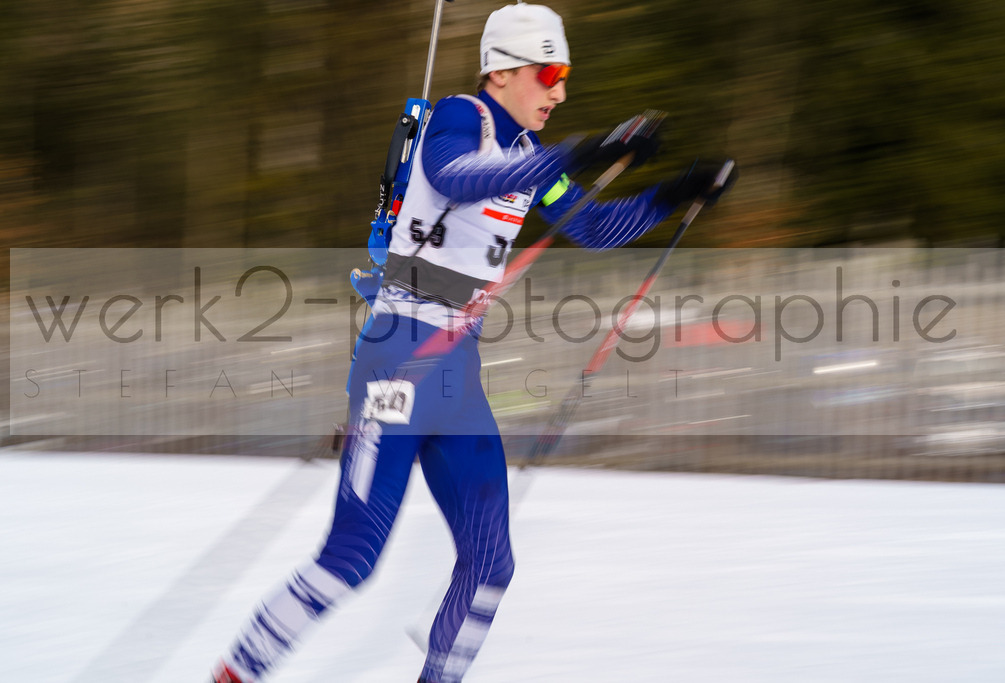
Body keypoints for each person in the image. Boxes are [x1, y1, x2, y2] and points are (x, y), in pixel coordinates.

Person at [211, 3, 735, 682]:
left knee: (491, 566)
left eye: (564, 75)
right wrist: (582, 148)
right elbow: (461, 176)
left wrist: (676, 192)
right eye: (550, 73)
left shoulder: (528, 159)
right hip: (400, 355)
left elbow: (595, 227)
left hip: (455, 374)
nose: (559, 91)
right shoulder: (462, 118)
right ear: (505, 70)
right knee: (352, 559)